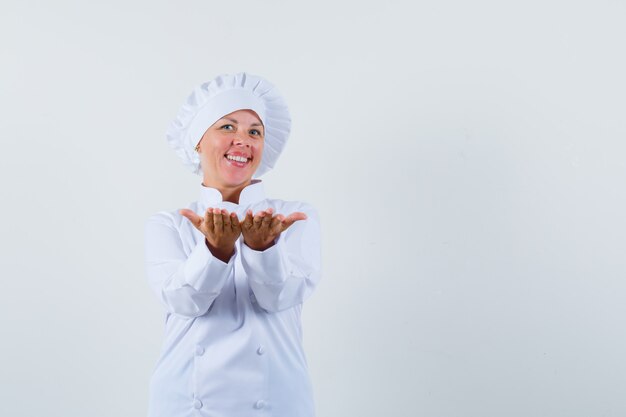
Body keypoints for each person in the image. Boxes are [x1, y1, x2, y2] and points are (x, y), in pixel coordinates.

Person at [144, 72, 321, 417]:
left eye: (254, 131)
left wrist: (261, 249)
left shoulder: (294, 217)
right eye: (227, 127)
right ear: (197, 141)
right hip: (185, 401)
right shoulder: (170, 223)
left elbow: (279, 297)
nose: (243, 140)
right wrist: (216, 251)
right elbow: (184, 301)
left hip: (276, 402)